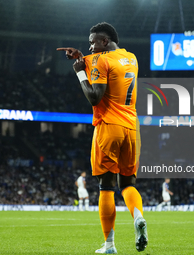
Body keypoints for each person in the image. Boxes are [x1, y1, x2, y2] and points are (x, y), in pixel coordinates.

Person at [57, 22, 148, 253]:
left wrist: (80, 73)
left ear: (104, 41)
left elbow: (95, 97)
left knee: (106, 187)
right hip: (132, 128)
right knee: (128, 184)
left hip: (109, 127)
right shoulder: (131, 58)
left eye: (92, 42)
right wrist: (84, 58)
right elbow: (109, 63)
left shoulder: (101, 60)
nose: (90, 47)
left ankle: (109, 245)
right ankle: (138, 217)